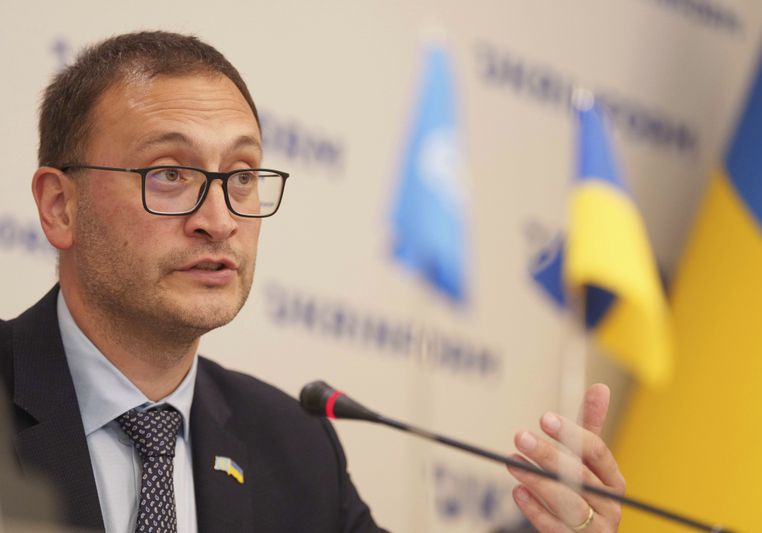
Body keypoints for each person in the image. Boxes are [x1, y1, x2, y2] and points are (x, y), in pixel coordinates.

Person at [0, 31, 624, 532]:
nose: (218, 221)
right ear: (60, 206)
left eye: (241, 175)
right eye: (169, 174)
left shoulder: (293, 445)